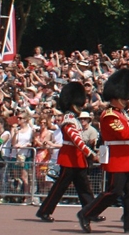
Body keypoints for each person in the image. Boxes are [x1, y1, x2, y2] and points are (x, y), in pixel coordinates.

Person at [78, 68, 129, 233]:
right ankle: (86, 213)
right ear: (117, 97)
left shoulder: (122, 114)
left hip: (127, 157)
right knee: (114, 192)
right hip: (117, 159)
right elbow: (124, 133)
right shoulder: (109, 116)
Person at [36, 81, 97, 222]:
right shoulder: (69, 119)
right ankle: (44, 211)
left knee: (84, 188)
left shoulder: (74, 119)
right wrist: (90, 154)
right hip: (69, 157)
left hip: (77, 158)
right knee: (59, 188)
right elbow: (76, 139)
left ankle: (91, 211)